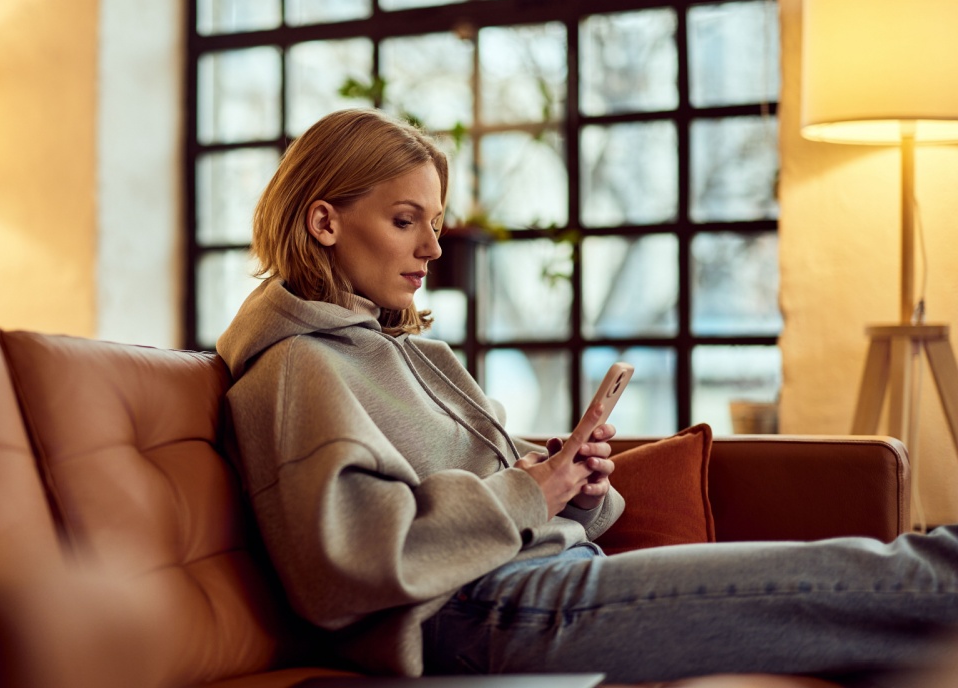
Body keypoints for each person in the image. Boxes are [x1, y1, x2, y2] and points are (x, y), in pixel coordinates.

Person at [215, 107, 958, 684]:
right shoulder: (294, 371)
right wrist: (530, 493)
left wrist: (572, 486)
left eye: (435, 224)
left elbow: (499, 492)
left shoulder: (413, 354)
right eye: (406, 221)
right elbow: (344, 568)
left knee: (895, 597)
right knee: (896, 577)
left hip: (543, 581)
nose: (434, 249)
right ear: (324, 221)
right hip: (485, 615)